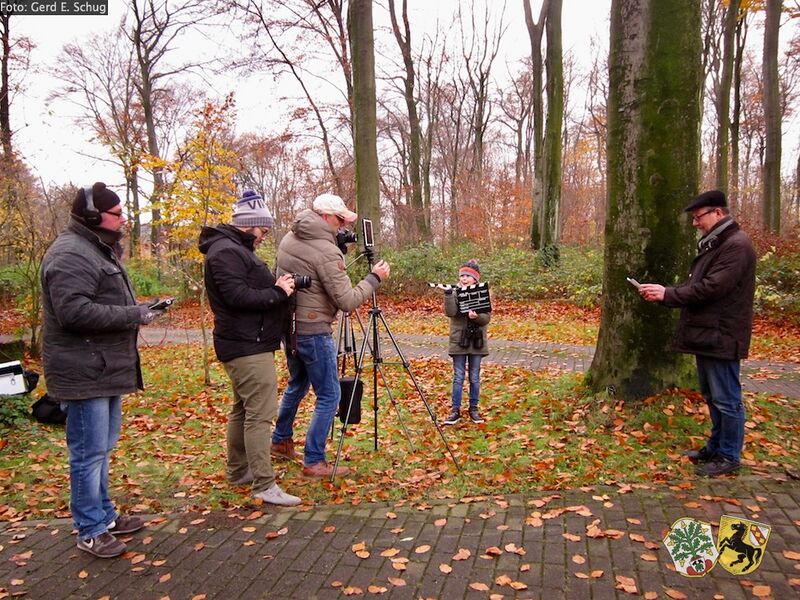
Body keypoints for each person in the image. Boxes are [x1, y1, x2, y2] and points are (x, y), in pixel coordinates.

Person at [41, 182, 158, 558]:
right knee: (88, 453)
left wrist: (140, 310)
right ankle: (89, 528)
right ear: (93, 216)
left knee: (101, 449)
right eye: (117, 213)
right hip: (83, 371)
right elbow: (73, 312)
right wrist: (134, 314)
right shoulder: (71, 254)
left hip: (102, 368)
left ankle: (103, 516)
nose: (124, 218)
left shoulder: (96, 249)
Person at [271, 193, 391, 477]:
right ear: (325, 217)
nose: (341, 226)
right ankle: (314, 460)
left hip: (291, 326)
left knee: (297, 384)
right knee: (329, 394)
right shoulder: (326, 251)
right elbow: (347, 301)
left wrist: (333, 244)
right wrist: (374, 278)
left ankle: (280, 441)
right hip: (314, 329)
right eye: (339, 220)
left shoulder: (291, 236)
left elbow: (302, 269)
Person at [639, 190, 756, 478]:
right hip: (709, 333)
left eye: (698, 217)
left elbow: (712, 288)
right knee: (713, 395)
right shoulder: (717, 244)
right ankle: (716, 447)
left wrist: (668, 294)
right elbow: (700, 284)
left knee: (727, 398)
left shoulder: (736, 246)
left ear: (718, 213)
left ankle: (729, 455)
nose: (695, 223)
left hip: (722, 334)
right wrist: (667, 292)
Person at [199, 189, 301, 506]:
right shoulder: (225, 252)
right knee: (260, 414)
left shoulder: (234, 249)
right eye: (263, 230)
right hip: (245, 345)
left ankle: (239, 470)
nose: (264, 236)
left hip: (248, 342)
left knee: (243, 410)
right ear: (249, 225)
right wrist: (278, 292)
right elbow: (238, 297)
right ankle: (264, 484)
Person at [442, 260, 491, 425]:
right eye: (462, 275)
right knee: (458, 376)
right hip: (459, 340)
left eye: (468, 276)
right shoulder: (454, 292)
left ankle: (473, 408)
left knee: (475, 377)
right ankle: (455, 410)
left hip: (476, 341)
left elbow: (486, 319)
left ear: (475, 279)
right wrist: (448, 295)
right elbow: (450, 312)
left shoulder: (483, 293)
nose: (464, 279)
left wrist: (477, 317)